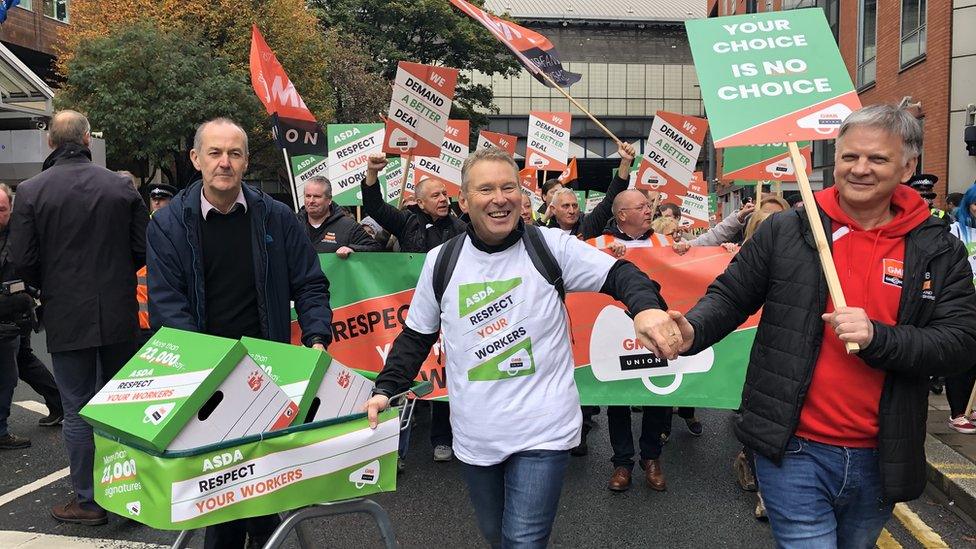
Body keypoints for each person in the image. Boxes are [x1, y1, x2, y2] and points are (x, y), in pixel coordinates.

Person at [668, 105, 976, 547]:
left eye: (877, 159)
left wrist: (878, 337)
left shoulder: (937, 247)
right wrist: (691, 331)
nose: (860, 169)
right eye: (850, 157)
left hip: (883, 453)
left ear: (907, 167)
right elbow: (730, 297)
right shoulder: (787, 229)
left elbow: (961, 343)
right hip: (793, 447)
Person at [363, 146, 683, 548]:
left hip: (543, 430)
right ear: (464, 201)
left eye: (508, 187)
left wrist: (647, 310)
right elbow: (416, 335)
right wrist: (384, 387)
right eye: (485, 189)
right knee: (497, 536)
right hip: (476, 433)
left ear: (522, 195)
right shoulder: (440, 261)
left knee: (523, 540)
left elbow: (623, 275)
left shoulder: (550, 247)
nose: (499, 198)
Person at [147, 118, 332, 549]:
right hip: (207, 379)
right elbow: (167, 304)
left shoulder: (279, 218)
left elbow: (309, 283)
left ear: (246, 161)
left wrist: (317, 337)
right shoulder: (168, 224)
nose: (224, 163)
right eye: (215, 153)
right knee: (227, 490)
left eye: (234, 153)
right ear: (196, 159)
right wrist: (208, 370)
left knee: (257, 485)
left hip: (268, 374)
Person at [9, 110, 149, 526]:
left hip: (67, 314)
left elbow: (23, 259)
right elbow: (143, 249)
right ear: (88, 140)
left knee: (78, 408)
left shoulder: (32, 192)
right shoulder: (121, 187)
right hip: (120, 311)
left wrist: (50, 284)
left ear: (50, 143)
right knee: (121, 405)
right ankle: (130, 494)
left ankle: (88, 500)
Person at [363, 159, 464, 462]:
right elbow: (376, 207)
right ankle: (395, 445)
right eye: (436, 195)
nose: (444, 199)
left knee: (443, 371)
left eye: (446, 194)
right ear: (419, 202)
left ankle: (442, 438)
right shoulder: (408, 222)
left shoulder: (460, 228)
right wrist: (371, 174)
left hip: (448, 312)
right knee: (406, 368)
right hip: (410, 313)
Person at [0, 184, 63, 431]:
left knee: (16, 362)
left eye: (2, 209)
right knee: (23, 361)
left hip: (15, 310)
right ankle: (59, 403)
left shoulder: (21, 232)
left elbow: (31, 266)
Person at [945, 183, 976, 433]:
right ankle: (958, 411)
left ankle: (973, 407)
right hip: (962, 303)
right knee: (961, 357)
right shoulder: (955, 231)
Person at [299, 176, 381, 257]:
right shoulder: (293, 223)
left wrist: (353, 249)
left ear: (329, 199)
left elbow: (375, 249)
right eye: (308, 196)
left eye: (317, 196)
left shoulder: (348, 227)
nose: (311, 201)